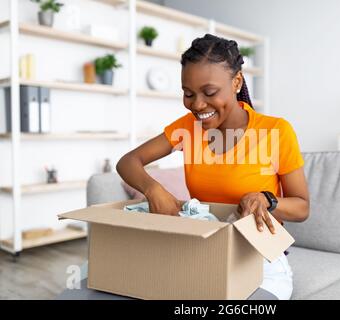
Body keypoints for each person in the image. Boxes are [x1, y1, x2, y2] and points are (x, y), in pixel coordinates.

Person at [116, 34, 309, 300]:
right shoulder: (187, 128)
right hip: (203, 253)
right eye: (188, 94)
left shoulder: (275, 131)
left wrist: (267, 199)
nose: (197, 105)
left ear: (237, 82)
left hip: (259, 259)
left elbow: (302, 207)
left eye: (209, 93)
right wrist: (153, 189)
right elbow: (128, 162)